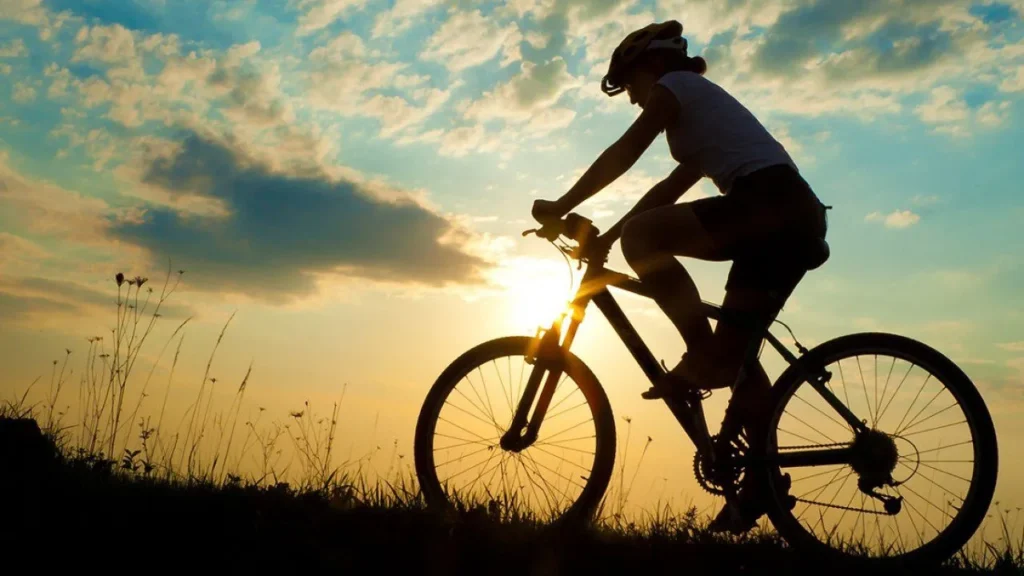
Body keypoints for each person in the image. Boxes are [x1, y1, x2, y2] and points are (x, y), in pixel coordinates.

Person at [531, 20, 830, 533]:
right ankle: (763, 482)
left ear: (649, 67)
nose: (630, 100)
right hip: (788, 217)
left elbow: (625, 151)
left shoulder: (677, 88)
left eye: (628, 86)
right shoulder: (696, 114)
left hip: (767, 206)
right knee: (735, 356)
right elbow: (665, 196)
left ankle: (702, 357)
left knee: (649, 247)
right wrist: (608, 239)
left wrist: (564, 204)